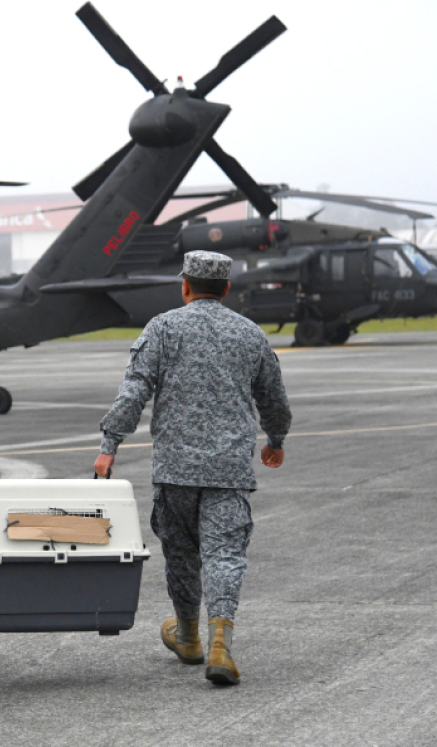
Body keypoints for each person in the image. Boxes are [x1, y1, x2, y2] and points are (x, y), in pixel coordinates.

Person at [94, 250, 292, 686]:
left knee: (181, 556)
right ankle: (220, 643)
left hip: (176, 470)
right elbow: (274, 399)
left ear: (184, 285)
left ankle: (187, 636)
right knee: (225, 554)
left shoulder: (163, 328)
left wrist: (110, 444)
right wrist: (275, 440)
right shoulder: (250, 334)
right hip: (229, 469)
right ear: (225, 289)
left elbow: (135, 389)